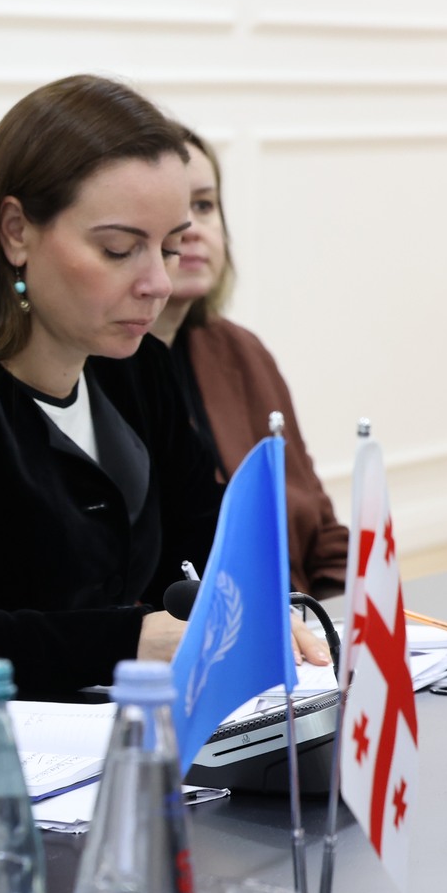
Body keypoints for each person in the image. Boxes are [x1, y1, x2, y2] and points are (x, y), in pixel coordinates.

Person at [0, 76, 329, 697]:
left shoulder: (136, 365)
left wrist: (264, 607)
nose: (158, 284)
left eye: (168, 248)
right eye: (119, 249)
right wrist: (131, 642)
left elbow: (209, 545)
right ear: (16, 231)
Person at [151, 128, 349, 596]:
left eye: (204, 205)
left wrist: (344, 616)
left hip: (304, 621)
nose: (192, 229)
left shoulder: (242, 351)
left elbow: (322, 531)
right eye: (170, 212)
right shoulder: (99, 373)